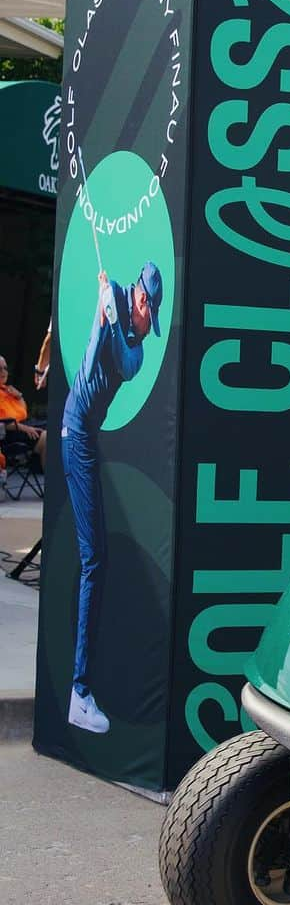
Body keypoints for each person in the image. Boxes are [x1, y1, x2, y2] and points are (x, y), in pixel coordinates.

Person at [63, 261, 163, 734]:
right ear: (141, 302)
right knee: (94, 560)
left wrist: (112, 323)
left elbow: (122, 360)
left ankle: (80, 689)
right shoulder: (118, 296)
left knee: (95, 559)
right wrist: (103, 314)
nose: (149, 329)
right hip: (75, 432)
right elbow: (86, 372)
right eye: (149, 317)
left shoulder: (137, 354)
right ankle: (79, 693)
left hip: (85, 437)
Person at [0, 355, 46, 483]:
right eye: (0, 369)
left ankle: (37, 461)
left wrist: (19, 396)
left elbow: (23, 412)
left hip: (22, 425)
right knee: (46, 437)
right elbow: (4, 422)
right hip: (9, 433)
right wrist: (25, 428)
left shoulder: (7, 390)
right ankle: (50, 484)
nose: (4, 372)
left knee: (55, 427)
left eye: (5, 368)